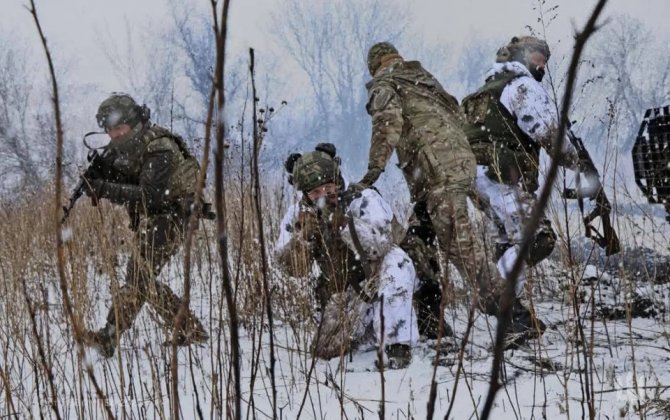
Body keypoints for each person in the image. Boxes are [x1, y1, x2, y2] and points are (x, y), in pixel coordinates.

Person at [351, 42, 518, 338]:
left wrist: (372, 173)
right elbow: (456, 116)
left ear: (374, 65)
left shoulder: (385, 83)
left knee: (461, 246)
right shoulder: (424, 80)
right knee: (418, 240)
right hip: (455, 166)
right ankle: (431, 319)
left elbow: (387, 124)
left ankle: (515, 316)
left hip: (437, 174)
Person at [461, 36, 591, 333]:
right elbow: (550, 134)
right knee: (537, 239)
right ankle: (494, 295)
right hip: (500, 179)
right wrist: (580, 165)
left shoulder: (485, 91)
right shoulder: (522, 86)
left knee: (507, 244)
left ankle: (513, 320)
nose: (542, 64)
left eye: (545, 59)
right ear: (521, 56)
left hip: (476, 179)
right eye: (537, 56)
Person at [81, 93, 209, 357]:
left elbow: (149, 195)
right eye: (110, 130)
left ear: (134, 123)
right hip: (155, 218)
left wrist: (104, 188)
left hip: (172, 217)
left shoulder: (160, 147)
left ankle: (109, 335)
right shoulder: (127, 148)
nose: (115, 135)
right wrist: (100, 173)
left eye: (119, 128)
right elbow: (127, 177)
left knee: (138, 276)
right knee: (143, 280)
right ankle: (189, 328)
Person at [275, 143, 419, 369]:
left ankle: (397, 343)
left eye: (328, 187)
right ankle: (371, 330)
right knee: (326, 350)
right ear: (305, 193)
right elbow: (294, 270)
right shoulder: (298, 214)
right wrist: (303, 239)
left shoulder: (363, 198)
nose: (323, 195)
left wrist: (345, 225)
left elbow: (379, 246)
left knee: (396, 260)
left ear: (337, 179)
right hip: (344, 295)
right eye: (315, 192)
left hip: (377, 281)